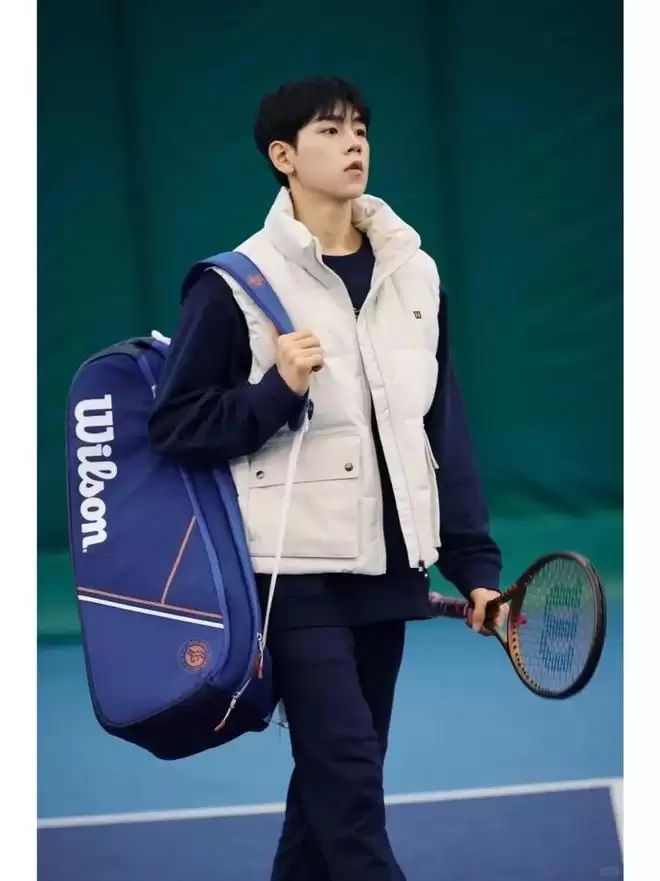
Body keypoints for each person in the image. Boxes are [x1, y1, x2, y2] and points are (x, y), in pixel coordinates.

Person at [149, 76, 503, 881]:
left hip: (389, 576)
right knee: (347, 782)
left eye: (361, 130)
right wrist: (276, 390)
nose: (354, 144)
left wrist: (474, 566)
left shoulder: (415, 274)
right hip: (290, 579)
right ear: (284, 156)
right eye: (331, 131)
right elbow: (175, 427)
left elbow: (439, 432)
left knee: (331, 790)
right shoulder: (234, 284)